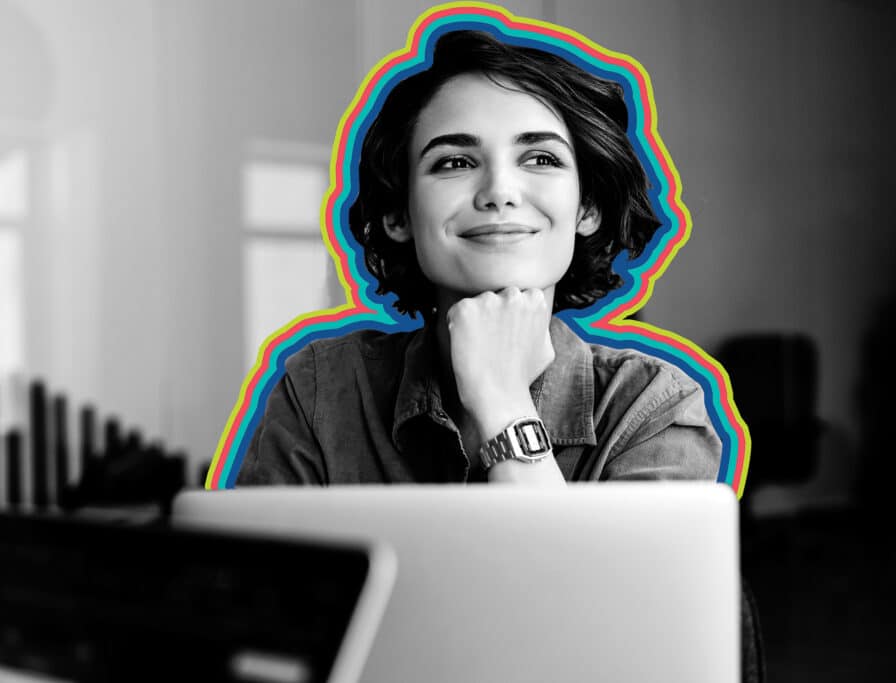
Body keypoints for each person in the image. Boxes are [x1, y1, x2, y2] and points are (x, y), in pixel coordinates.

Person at [237, 30, 720, 487]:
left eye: (541, 159)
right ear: (397, 214)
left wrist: (503, 403)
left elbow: (589, 579)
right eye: (454, 162)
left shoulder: (654, 408)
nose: (499, 193)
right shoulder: (320, 391)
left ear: (587, 208)